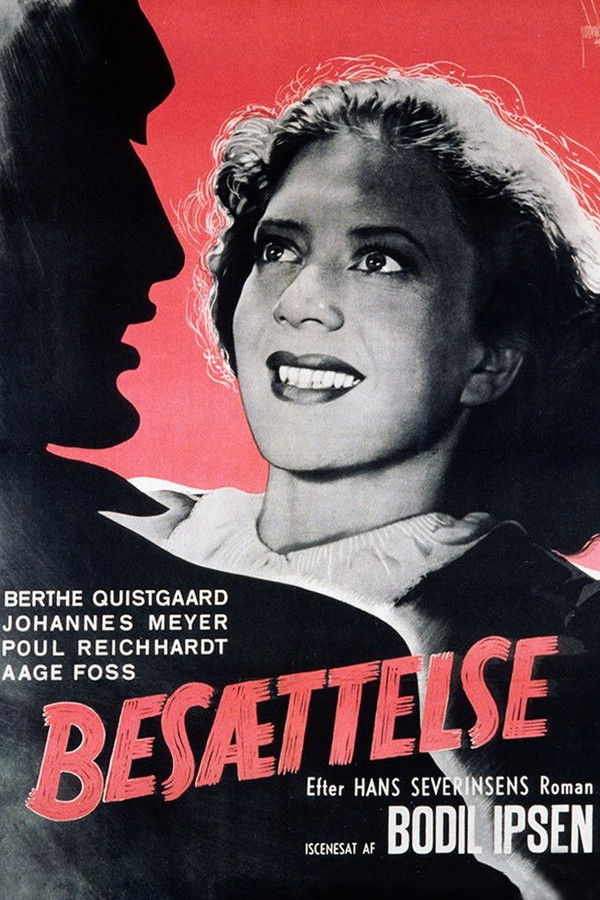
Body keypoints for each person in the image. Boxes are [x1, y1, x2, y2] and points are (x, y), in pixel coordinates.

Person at [111, 65, 600, 898]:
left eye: (380, 261)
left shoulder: (569, 633)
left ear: (489, 358)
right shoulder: (114, 535)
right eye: (279, 249)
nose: (302, 301)